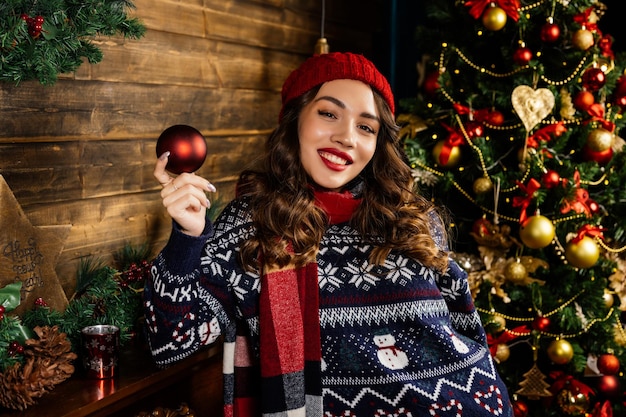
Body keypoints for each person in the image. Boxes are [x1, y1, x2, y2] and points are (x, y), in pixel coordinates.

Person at [145, 51, 513, 417]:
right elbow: (169, 344)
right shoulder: (252, 225)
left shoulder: (413, 220)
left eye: (366, 127)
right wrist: (188, 237)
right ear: (295, 119)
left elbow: (466, 330)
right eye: (328, 113)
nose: (346, 137)